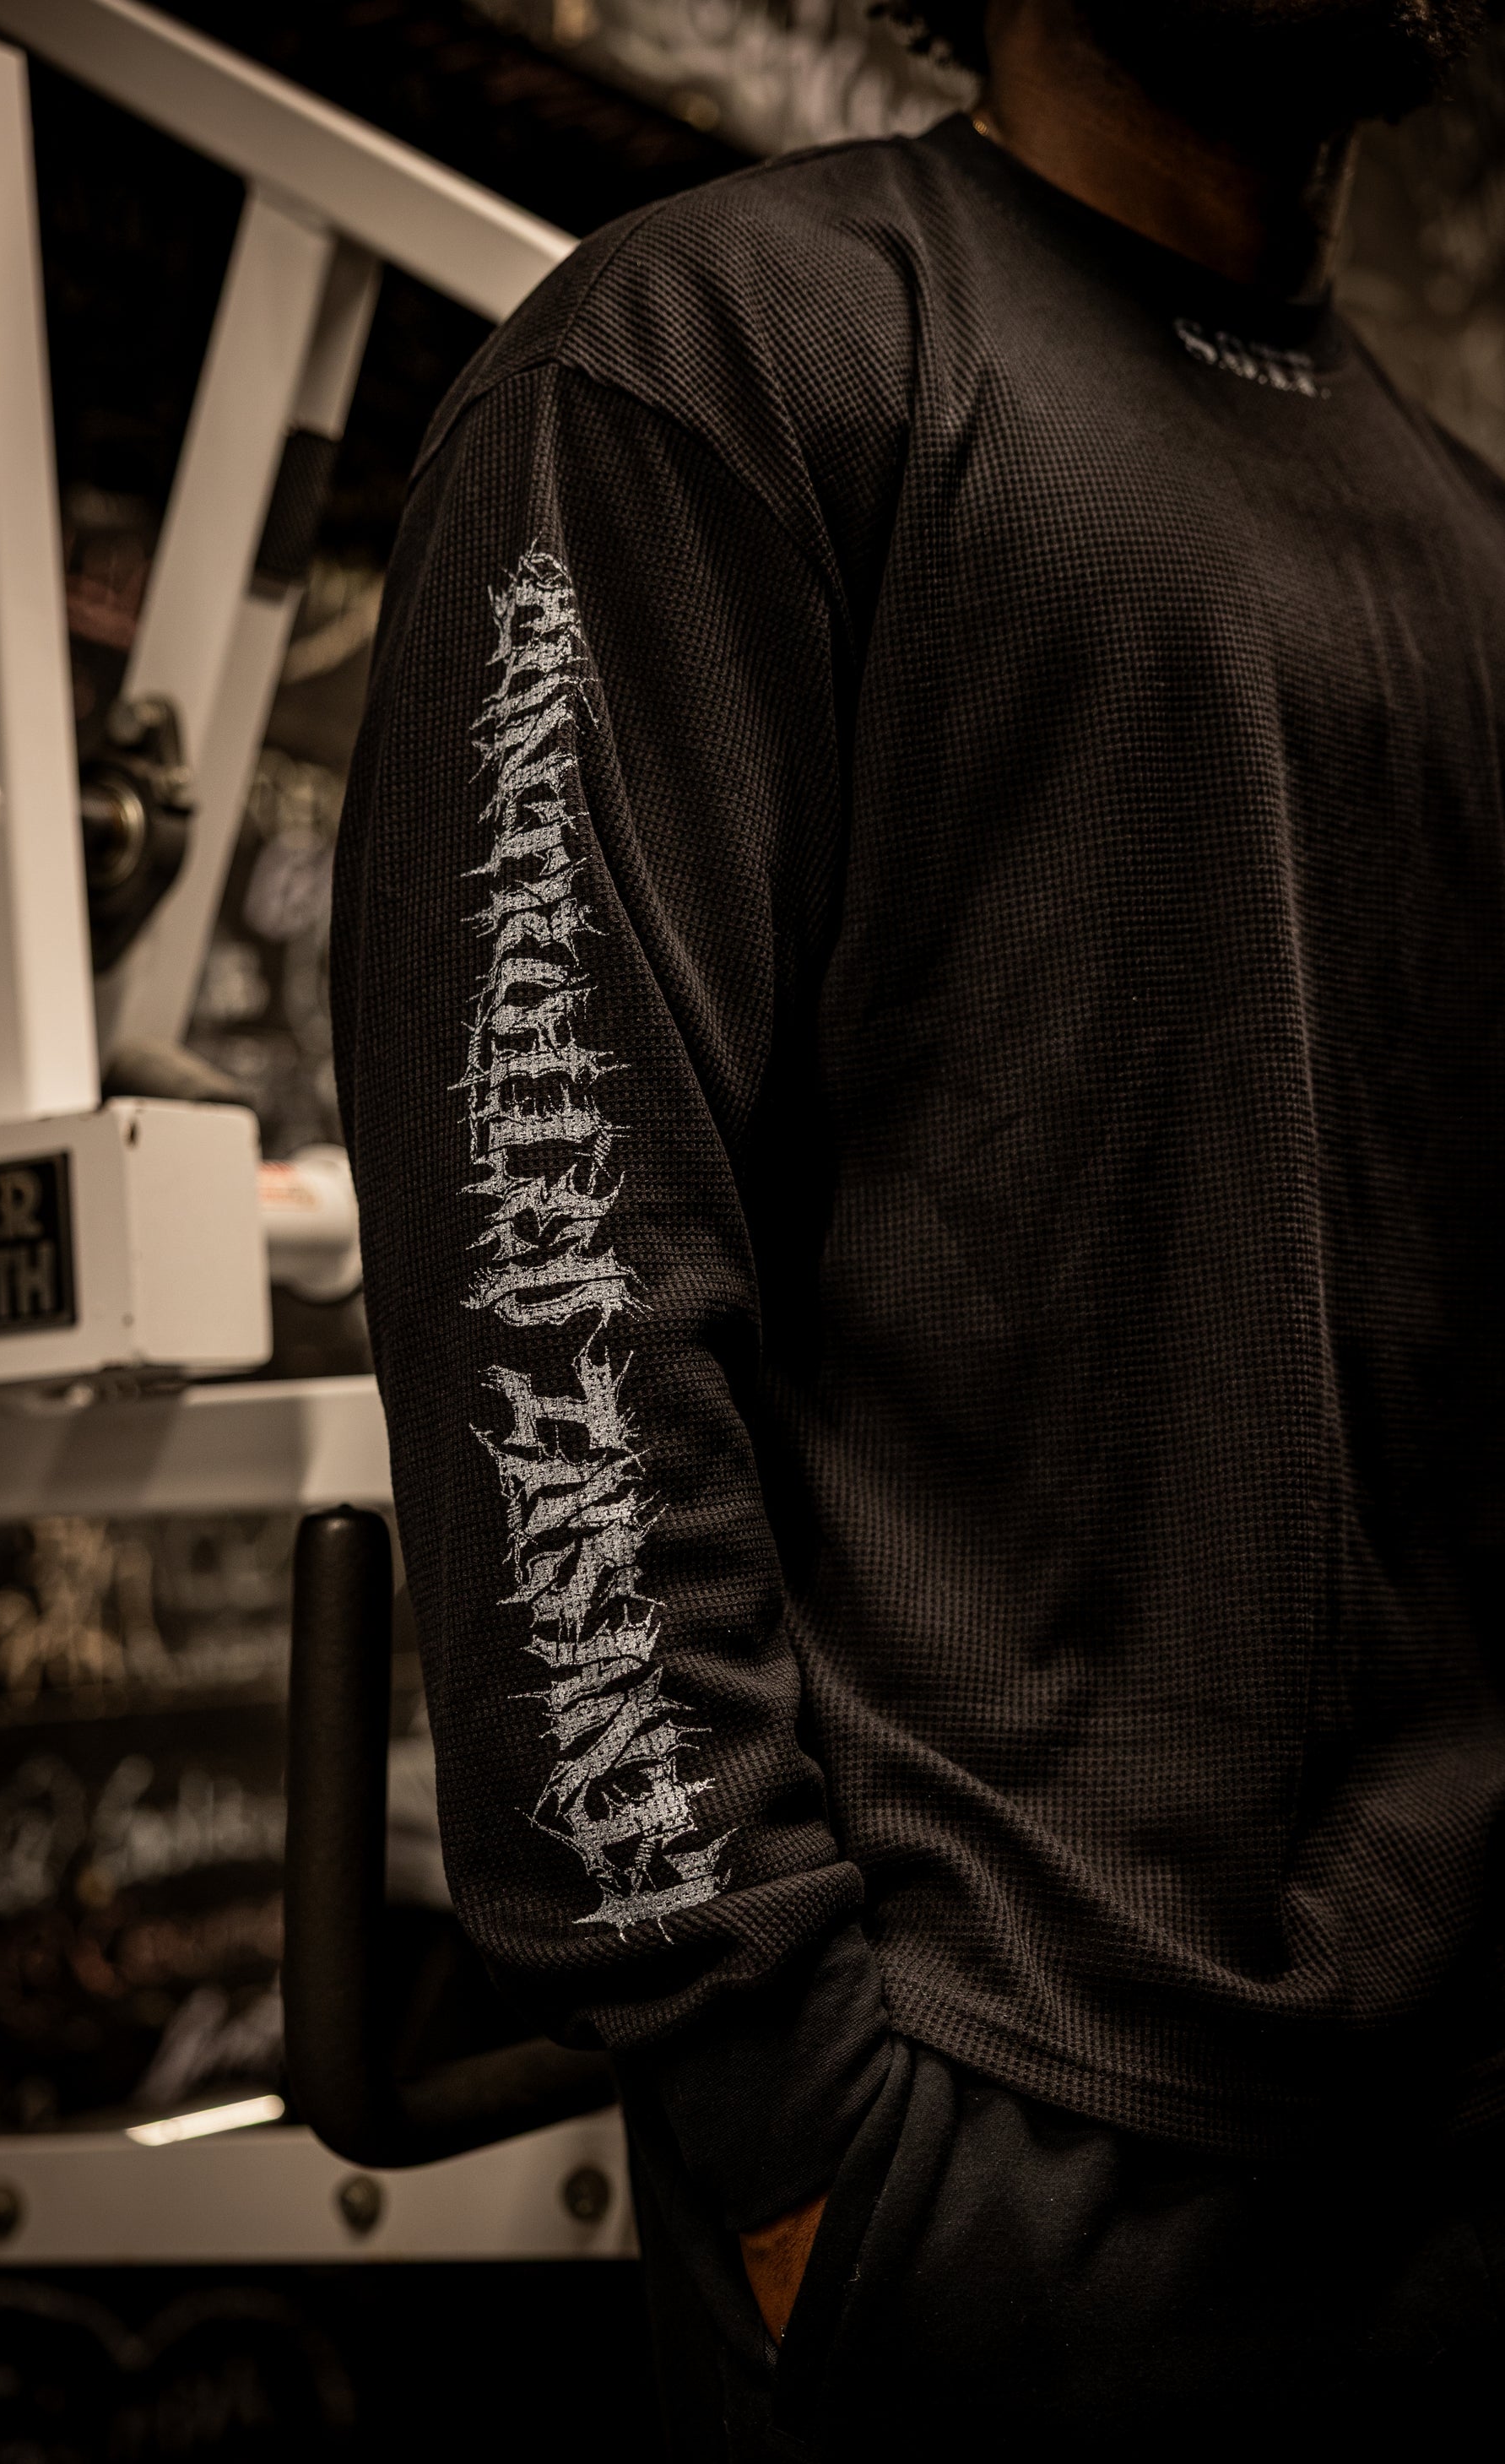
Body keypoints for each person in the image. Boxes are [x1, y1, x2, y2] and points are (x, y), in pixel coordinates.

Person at [330, 0, 1505, 2444]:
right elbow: (557, 1269)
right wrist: (783, 2106)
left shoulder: (1467, 545)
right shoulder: (716, 362)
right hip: (985, 2171)